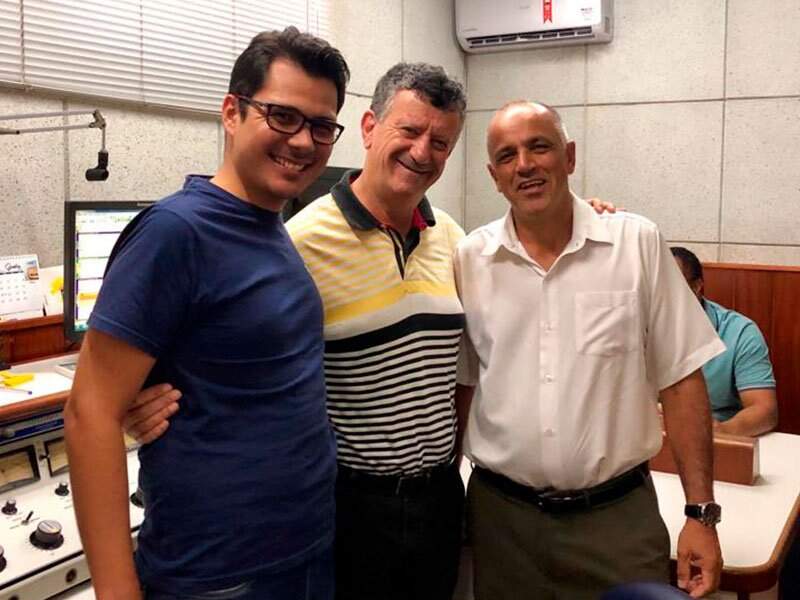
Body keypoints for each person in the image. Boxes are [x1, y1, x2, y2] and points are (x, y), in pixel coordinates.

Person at [64, 27, 349, 600]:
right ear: (231, 113)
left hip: (305, 555)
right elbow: (89, 413)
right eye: (282, 116)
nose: (303, 141)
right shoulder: (175, 232)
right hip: (218, 576)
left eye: (321, 126)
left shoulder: (271, 228)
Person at [454, 101, 725, 600]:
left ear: (570, 156)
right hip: (502, 524)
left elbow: (682, 379)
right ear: (494, 177)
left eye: (539, 147)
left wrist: (700, 514)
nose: (525, 165)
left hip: (616, 523)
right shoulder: (470, 259)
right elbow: (465, 386)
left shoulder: (636, 244)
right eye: (507, 156)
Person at [670, 246, 778, 436]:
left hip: (716, 438)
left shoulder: (739, 332)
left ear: (696, 287)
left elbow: (765, 411)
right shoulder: (635, 325)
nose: (660, 297)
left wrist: (722, 430)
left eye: (671, 287)